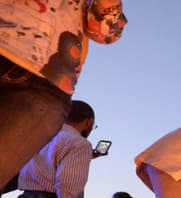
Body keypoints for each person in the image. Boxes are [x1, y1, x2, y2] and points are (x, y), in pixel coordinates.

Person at [0, 0, 127, 188]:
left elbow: (106, 32)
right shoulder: (77, 144)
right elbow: (68, 183)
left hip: (45, 82)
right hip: (46, 83)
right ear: (87, 123)